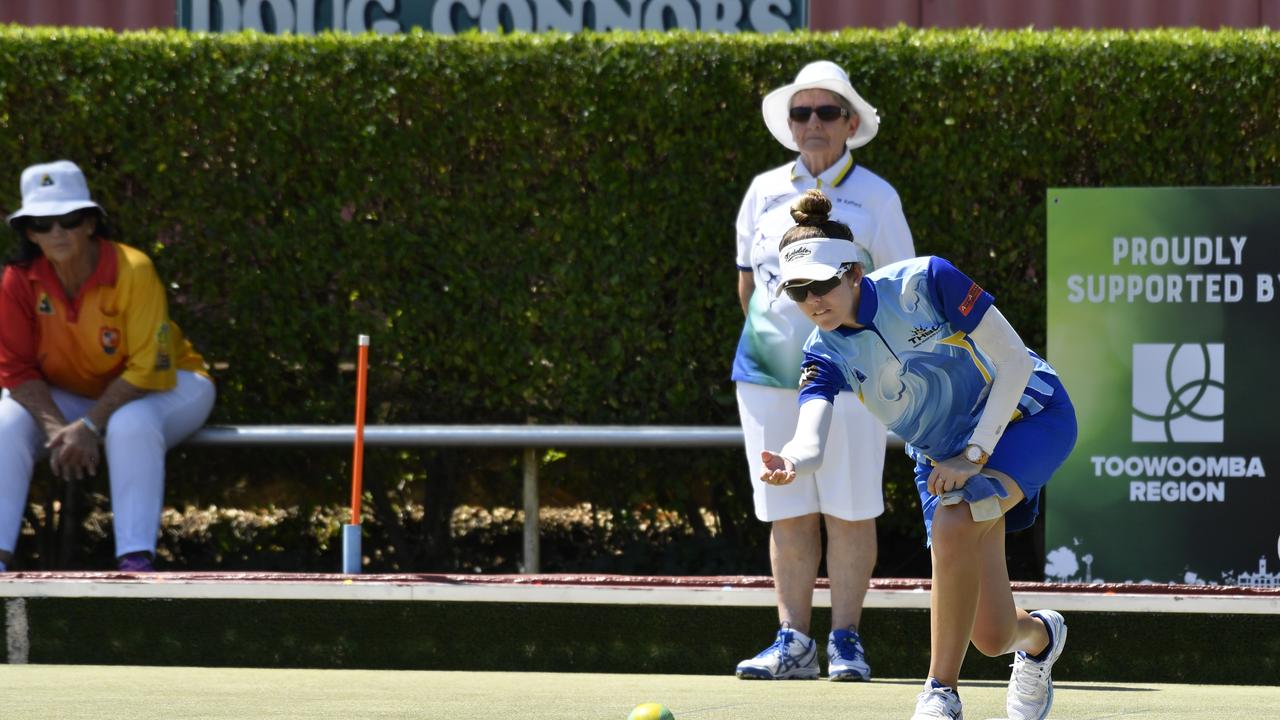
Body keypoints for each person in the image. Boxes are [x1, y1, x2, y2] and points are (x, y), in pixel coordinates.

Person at [762, 190, 1078, 719]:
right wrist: (795, 460)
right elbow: (810, 433)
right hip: (944, 460)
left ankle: (940, 693)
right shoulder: (823, 353)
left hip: (1030, 417)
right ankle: (1040, 637)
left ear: (854, 273)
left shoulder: (929, 280)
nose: (813, 300)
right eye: (798, 291)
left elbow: (1015, 361)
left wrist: (974, 454)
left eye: (822, 284)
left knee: (955, 522)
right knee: (992, 635)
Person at [732, 60, 915, 681]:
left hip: (856, 375)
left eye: (827, 112)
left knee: (851, 506)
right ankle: (792, 643)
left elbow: (899, 289)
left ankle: (845, 642)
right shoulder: (760, 191)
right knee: (787, 506)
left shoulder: (879, 197)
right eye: (801, 112)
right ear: (790, 124)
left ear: (851, 122)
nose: (813, 123)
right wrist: (780, 344)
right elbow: (748, 283)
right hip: (764, 372)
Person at [0, 160, 215, 573]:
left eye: (70, 218)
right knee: (7, 418)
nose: (57, 231)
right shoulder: (18, 279)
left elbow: (148, 368)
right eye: (43, 224)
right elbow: (16, 370)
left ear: (90, 223)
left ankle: (135, 561)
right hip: (74, 395)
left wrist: (89, 425)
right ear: (29, 233)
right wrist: (58, 431)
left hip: (172, 384)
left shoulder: (134, 269)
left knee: (129, 423)